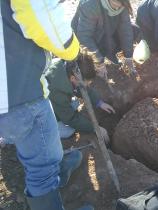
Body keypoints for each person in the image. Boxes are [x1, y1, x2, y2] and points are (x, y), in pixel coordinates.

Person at [0, 1, 93, 209]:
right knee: (41, 169)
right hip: (17, 93)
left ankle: (58, 167)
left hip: (10, 91)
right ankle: (50, 173)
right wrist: (72, 49)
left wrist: (100, 102)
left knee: (41, 140)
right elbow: (42, 14)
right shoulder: (58, 80)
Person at [45, 53, 115, 140]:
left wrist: (99, 102)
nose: (87, 85)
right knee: (68, 131)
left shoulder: (68, 67)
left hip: (56, 101)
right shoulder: (56, 91)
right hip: (41, 114)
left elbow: (82, 89)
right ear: (73, 78)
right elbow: (70, 118)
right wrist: (94, 128)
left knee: (75, 103)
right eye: (85, 82)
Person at [72, 0, 138, 79]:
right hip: (84, 36)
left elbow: (125, 30)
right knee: (87, 69)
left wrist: (128, 57)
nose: (117, 8)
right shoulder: (90, 5)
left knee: (134, 30)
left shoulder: (122, 5)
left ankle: (108, 53)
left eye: (120, 6)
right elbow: (84, 37)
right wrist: (99, 62)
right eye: (114, 4)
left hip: (105, 30)